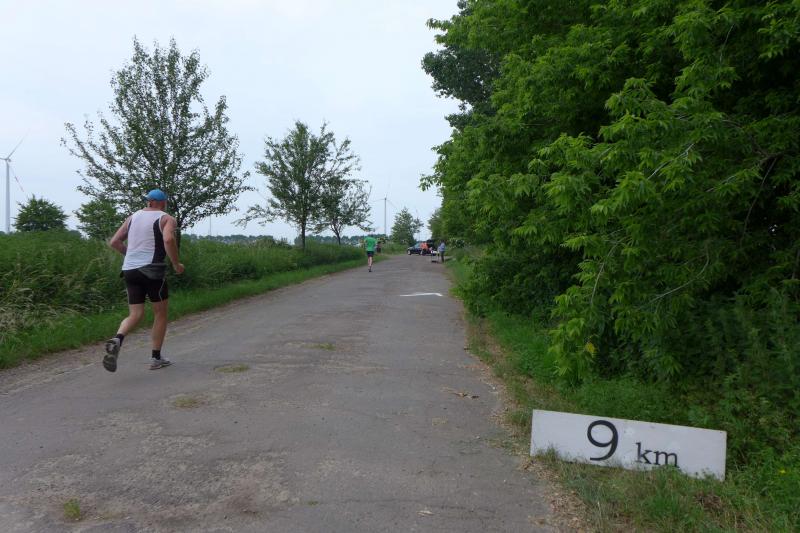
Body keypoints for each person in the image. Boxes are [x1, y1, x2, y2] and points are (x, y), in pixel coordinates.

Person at [103, 189, 185, 372]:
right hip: (152, 270)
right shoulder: (166, 218)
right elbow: (168, 239)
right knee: (160, 313)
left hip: (129, 270)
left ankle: (117, 338)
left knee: (135, 314)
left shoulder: (132, 217)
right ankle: (156, 358)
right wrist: (176, 264)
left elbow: (114, 242)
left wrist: (132, 255)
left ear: (149, 201)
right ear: (163, 203)